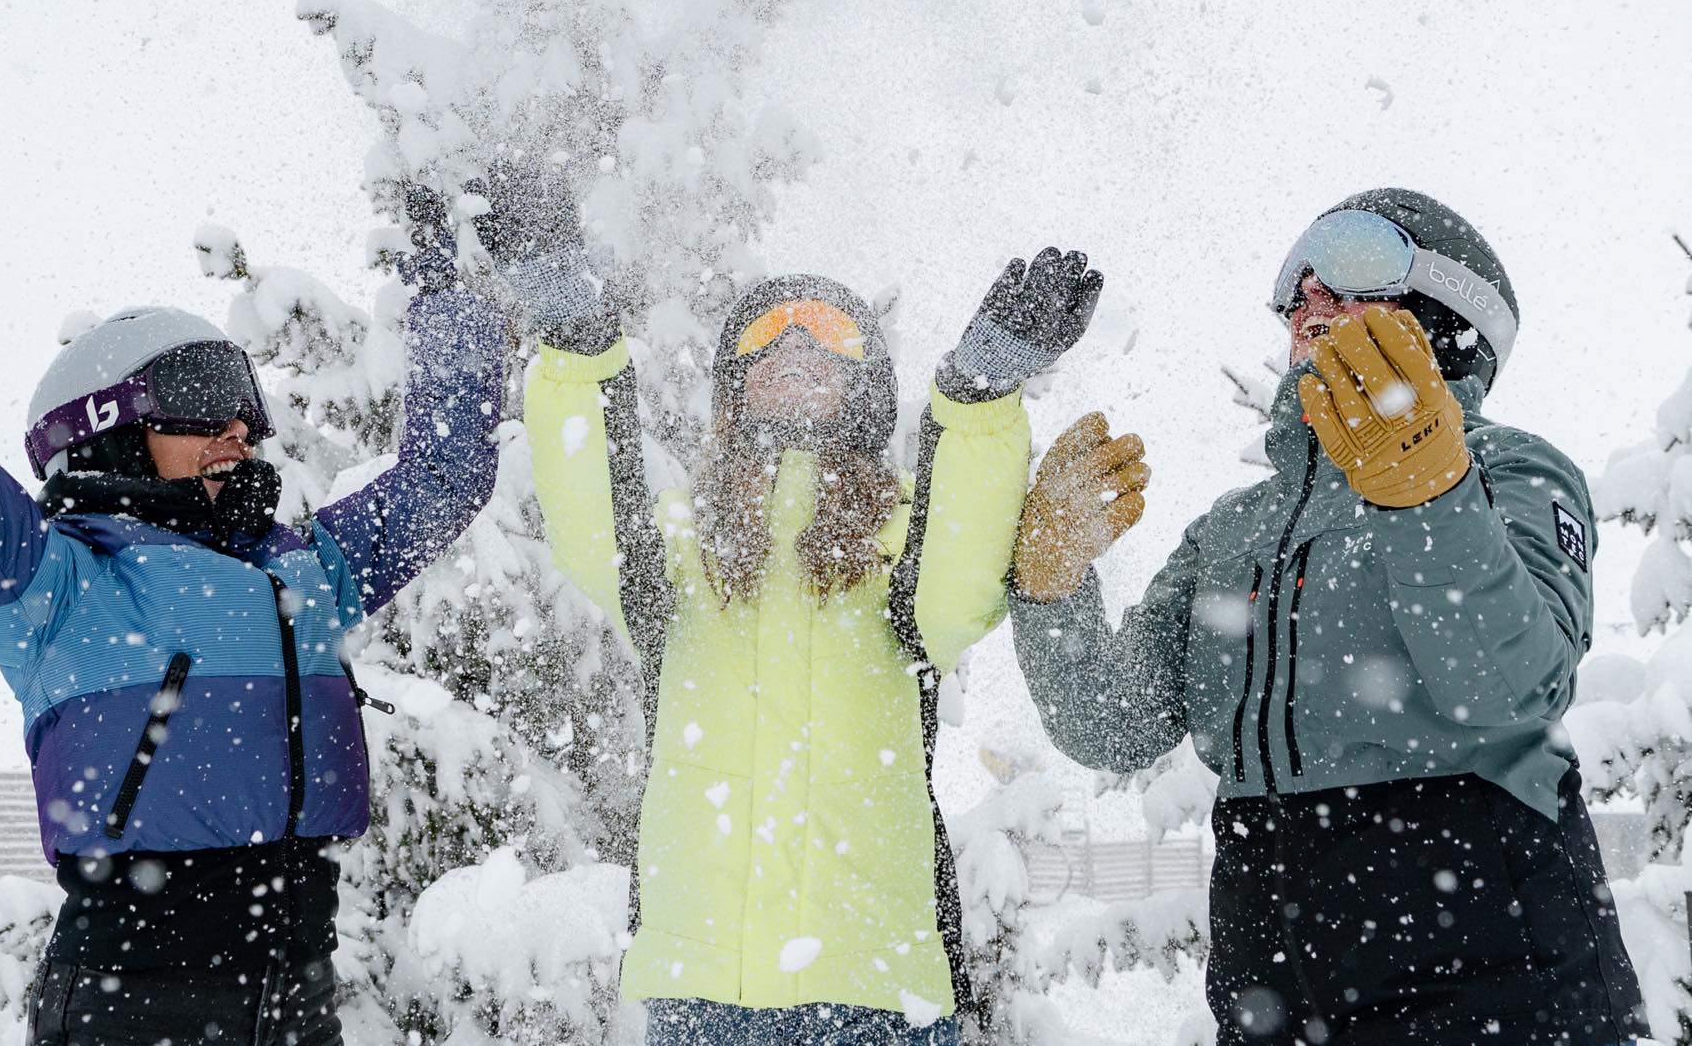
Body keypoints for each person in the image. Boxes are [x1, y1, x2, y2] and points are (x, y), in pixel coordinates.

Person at [0, 37, 507, 1046]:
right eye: (201, 404)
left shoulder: (305, 574)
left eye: (242, 402)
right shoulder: (47, 584)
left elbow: (443, 478)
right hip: (134, 1005)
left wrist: (448, 284)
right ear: (105, 428)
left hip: (299, 991)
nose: (237, 428)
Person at [472, 164, 1106, 1043]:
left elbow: (959, 586)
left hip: (874, 978)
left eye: (830, 342)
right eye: (770, 340)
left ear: (868, 386)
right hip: (704, 984)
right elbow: (590, 517)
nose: (799, 352)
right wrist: (578, 343)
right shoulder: (680, 548)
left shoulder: (899, 545)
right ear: (735, 386)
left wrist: (977, 397)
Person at [1005, 189, 1647, 1045]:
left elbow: (1510, 688)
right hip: (1266, 944)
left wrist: (1427, 491)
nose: (1309, 292)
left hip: (1484, 926)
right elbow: (1111, 726)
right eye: (1297, 276)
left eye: (1352, 261)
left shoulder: (1510, 472)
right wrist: (1054, 591)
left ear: (1445, 304)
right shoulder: (1236, 526)